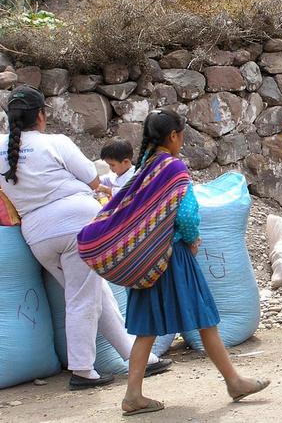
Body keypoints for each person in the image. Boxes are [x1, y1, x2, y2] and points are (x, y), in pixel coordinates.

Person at [83, 109, 269, 416]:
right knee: (205, 318)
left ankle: (133, 394)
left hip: (147, 260)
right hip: (173, 257)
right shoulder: (172, 167)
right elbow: (185, 214)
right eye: (181, 135)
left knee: (147, 328)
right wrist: (192, 237)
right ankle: (234, 381)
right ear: (173, 136)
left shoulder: (145, 168)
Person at [0, 86, 170, 390]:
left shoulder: (1, 149)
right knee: (83, 298)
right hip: (77, 229)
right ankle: (82, 370)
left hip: (37, 237)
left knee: (96, 294)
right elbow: (92, 178)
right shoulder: (55, 142)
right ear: (40, 115)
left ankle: (137, 357)